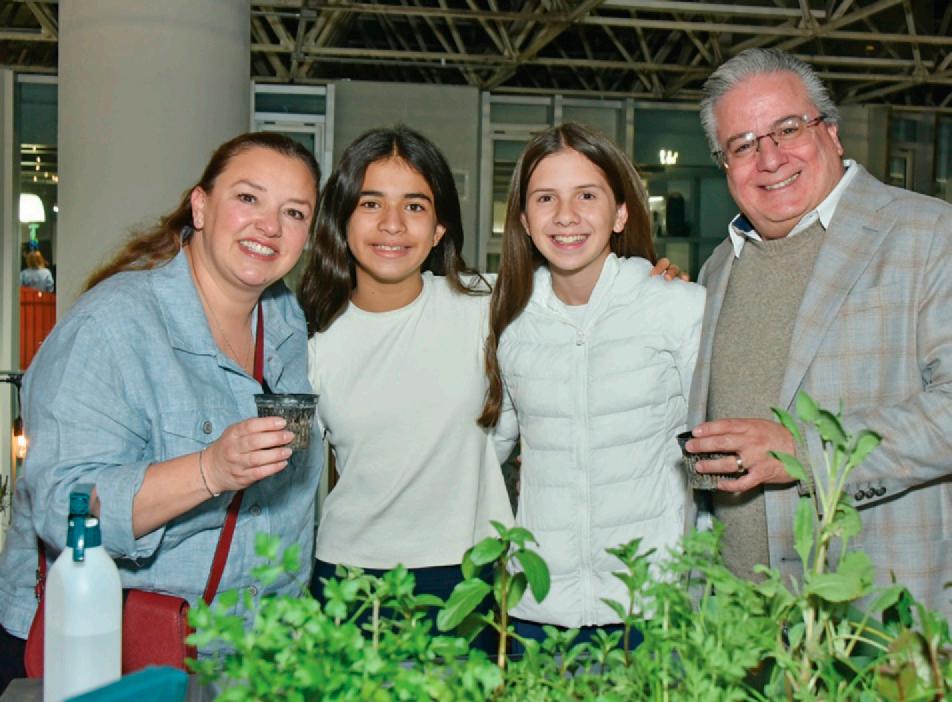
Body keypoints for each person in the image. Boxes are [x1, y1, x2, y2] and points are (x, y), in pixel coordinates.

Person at [0, 131, 322, 690]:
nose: (270, 226)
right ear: (200, 207)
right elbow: (62, 507)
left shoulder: (286, 322)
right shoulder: (111, 326)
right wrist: (209, 470)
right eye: (248, 198)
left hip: (255, 652)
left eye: (293, 212)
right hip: (114, 654)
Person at [685, 48, 952, 620]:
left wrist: (803, 452)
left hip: (870, 621)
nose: (770, 158)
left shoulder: (930, 234)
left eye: (788, 129)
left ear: (830, 131)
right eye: (743, 145)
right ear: (725, 165)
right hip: (738, 625)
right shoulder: (719, 267)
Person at [479, 123, 705, 647]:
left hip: (651, 605)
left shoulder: (679, 307)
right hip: (538, 608)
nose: (566, 216)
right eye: (545, 198)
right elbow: (488, 451)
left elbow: (718, 448)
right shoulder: (508, 319)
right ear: (524, 220)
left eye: (586, 195)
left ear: (620, 213)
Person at [297, 126, 513, 640]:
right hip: (350, 577)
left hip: (470, 575)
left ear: (438, 229)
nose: (392, 225)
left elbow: (586, 298)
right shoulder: (310, 336)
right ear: (342, 218)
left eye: (414, 206)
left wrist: (652, 280)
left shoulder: (486, 304)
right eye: (371, 204)